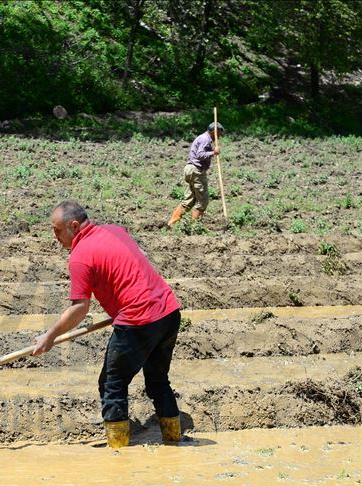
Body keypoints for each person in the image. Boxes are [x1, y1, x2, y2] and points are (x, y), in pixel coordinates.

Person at [34, 201, 183, 449]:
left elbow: (79, 309)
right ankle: (175, 440)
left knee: (112, 385)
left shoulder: (80, 257)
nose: (54, 237)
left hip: (138, 319)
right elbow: (129, 265)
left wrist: (50, 336)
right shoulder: (115, 231)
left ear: (73, 226)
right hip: (168, 312)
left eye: (57, 230)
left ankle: (118, 450)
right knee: (158, 381)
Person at [167, 122, 223, 227]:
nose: (219, 137)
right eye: (218, 134)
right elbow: (200, 154)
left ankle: (171, 224)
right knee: (203, 201)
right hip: (196, 171)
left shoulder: (202, 138)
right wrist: (213, 153)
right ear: (214, 132)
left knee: (188, 201)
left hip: (190, 169)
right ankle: (194, 227)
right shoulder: (205, 139)